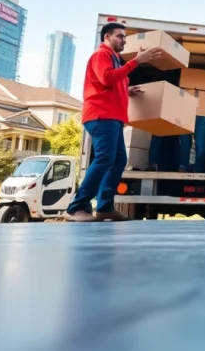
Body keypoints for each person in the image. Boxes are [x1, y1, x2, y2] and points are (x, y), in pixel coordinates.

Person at [66, 22, 163, 222]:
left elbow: (112, 82)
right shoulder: (101, 55)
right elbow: (107, 79)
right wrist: (136, 61)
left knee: (118, 161)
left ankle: (104, 207)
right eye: (120, 36)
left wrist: (128, 89)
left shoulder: (116, 60)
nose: (124, 40)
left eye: (125, 37)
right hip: (101, 116)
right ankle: (77, 207)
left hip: (114, 118)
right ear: (107, 37)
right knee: (104, 159)